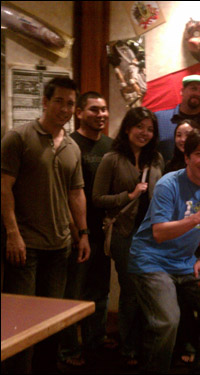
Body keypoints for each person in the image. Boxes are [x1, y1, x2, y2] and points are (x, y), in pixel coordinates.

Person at [127, 127, 200, 374]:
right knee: (167, 320)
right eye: (198, 153)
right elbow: (159, 232)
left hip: (185, 261)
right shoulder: (168, 184)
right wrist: (197, 217)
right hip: (150, 259)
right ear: (186, 157)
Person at [1, 76, 90, 373]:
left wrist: (83, 234)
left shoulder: (72, 148)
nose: (64, 108)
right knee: (20, 323)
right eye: (59, 101)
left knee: (51, 323)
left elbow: (75, 194)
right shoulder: (18, 137)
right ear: (45, 102)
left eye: (70, 103)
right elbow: (3, 188)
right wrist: (12, 234)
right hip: (25, 247)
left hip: (59, 247)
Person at [92, 107, 164, 367]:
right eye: (139, 127)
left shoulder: (155, 159)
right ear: (127, 128)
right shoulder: (112, 158)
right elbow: (98, 198)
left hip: (152, 235)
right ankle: (128, 345)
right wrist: (129, 196)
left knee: (149, 289)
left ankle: (145, 342)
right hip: (124, 233)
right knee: (131, 289)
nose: (144, 133)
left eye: (149, 128)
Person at [58, 91, 115, 367]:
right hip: (77, 232)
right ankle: (68, 349)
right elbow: (65, 192)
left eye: (104, 109)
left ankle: (96, 338)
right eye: (94, 110)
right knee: (74, 291)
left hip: (103, 232)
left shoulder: (111, 145)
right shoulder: (69, 145)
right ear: (79, 113)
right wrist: (77, 231)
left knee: (100, 290)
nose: (101, 115)